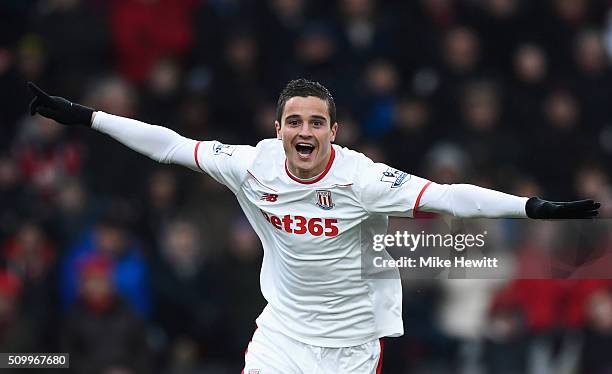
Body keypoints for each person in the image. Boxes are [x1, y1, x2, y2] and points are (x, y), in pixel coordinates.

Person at [27, 79, 599, 373]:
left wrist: (532, 208)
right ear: (278, 128)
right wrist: (87, 116)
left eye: (317, 122)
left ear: (333, 130)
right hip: (284, 334)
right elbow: (169, 146)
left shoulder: (364, 178)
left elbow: (452, 197)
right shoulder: (252, 165)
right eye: (295, 121)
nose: (306, 130)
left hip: (352, 346)